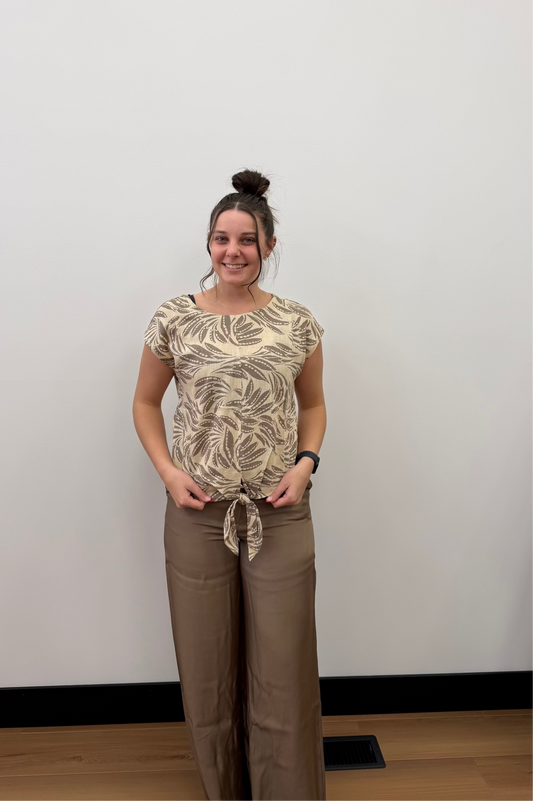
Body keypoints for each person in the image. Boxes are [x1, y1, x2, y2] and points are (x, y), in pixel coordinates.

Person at [132, 169, 327, 801]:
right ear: (209, 245)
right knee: (207, 666)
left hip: (278, 509)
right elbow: (144, 403)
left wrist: (305, 464)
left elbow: (315, 406)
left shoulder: (298, 323)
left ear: (269, 245)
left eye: (247, 238)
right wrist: (168, 472)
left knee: (283, 666)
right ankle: (226, 790)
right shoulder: (174, 319)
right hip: (197, 512)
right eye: (221, 238)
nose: (233, 251)